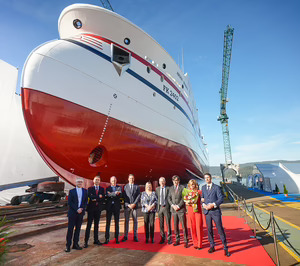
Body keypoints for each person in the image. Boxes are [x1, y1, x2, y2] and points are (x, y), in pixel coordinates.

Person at [201, 173, 230, 257]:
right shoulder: (203, 188)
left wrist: (213, 204)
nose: (206, 179)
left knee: (220, 230)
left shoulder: (217, 187)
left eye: (208, 177)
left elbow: (221, 199)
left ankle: (225, 247)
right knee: (209, 230)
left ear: (211, 178)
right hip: (207, 212)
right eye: (205, 178)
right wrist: (204, 205)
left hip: (215, 211)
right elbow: (202, 199)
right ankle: (212, 246)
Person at [65, 178, 88, 252]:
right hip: (72, 213)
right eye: (78, 182)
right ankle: (68, 246)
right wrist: (77, 209)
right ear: (76, 183)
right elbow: (70, 202)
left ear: (82, 183)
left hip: (80, 213)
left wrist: (82, 208)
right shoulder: (72, 191)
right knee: (70, 230)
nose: (79, 183)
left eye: (81, 182)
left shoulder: (85, 191)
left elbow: (85, 201)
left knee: (78, 229)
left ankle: (75, 244)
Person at [84, 174, 105, 248]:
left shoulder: (102, 189)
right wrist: (98, 197)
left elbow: (102, 198)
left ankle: (96, 240)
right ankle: (86, 242)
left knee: (96, 225)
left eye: (98, 180)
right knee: (89, 225)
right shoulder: (90, 189)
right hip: (91, 209)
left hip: (98, 209)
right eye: (96, 180)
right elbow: (90, 196)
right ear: (93, 181)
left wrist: (95, 198)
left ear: (100, 181)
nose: (97, 181)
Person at [168, 175, 188, 248]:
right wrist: (173, 205)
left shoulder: (182, 188)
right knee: (175, 226)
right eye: (174, 181)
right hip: (173, 210)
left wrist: (178, 206)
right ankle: (177, 239)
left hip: (181, 209)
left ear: (179, 181)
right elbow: (169, 198)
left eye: (176, 180)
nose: (175, 182)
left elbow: (184, 198)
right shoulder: (170, 188)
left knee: (183, 226)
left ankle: (186, 240)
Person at [183, 179, 203, 250]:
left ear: (195, 185)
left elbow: (203, 200)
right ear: (189, 185)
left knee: (198, 226)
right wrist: (186, 202)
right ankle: (195, 242)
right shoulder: (187, 192)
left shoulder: (199, 192)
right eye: (191, 184)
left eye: (193, 184)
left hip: (197, 210)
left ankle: (199, 244)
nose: (192, 186)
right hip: (190, 210)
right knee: (193, 226)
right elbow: (185, 200)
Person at [122, 174, 141, 242]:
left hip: (134, 206)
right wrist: (128, 204)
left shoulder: (137, 186)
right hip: (127, 206)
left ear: (134, 179)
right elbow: (124, 196)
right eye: (130, 178)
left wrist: (134, 204)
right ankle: (125, 236)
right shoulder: (125, 187)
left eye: (132, 178)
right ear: (128, 179)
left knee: (135, 221)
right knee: (126, 221)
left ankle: (135, 236)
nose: (131, 179)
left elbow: (138, 195)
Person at [104, 176, 122, 244]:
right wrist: (115, 193)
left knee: (116, 223)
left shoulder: (119, 187)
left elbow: (120, 195)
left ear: (116, 181)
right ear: (110, 181)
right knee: (108, 223)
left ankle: (117, 238)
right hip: (109, 207)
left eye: (114, 180)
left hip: (116, 207)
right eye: (112, 180)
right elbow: (107, 195)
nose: (113, 181)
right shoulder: (107, 188)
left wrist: (111, 194)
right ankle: (107, 238)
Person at [155, 177, 172, 244]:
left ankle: (169, 238)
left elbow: (170, 198)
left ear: (165, 182)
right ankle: (162, 238)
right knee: (161, 224)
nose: (162, 182)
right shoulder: (157, 189)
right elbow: (156, 199)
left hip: (167, 208)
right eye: (160, 181)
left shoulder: (168, 189)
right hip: (160, 208)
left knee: (168, 224)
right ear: (159, 182)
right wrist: (157, 209)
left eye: (163, 181)